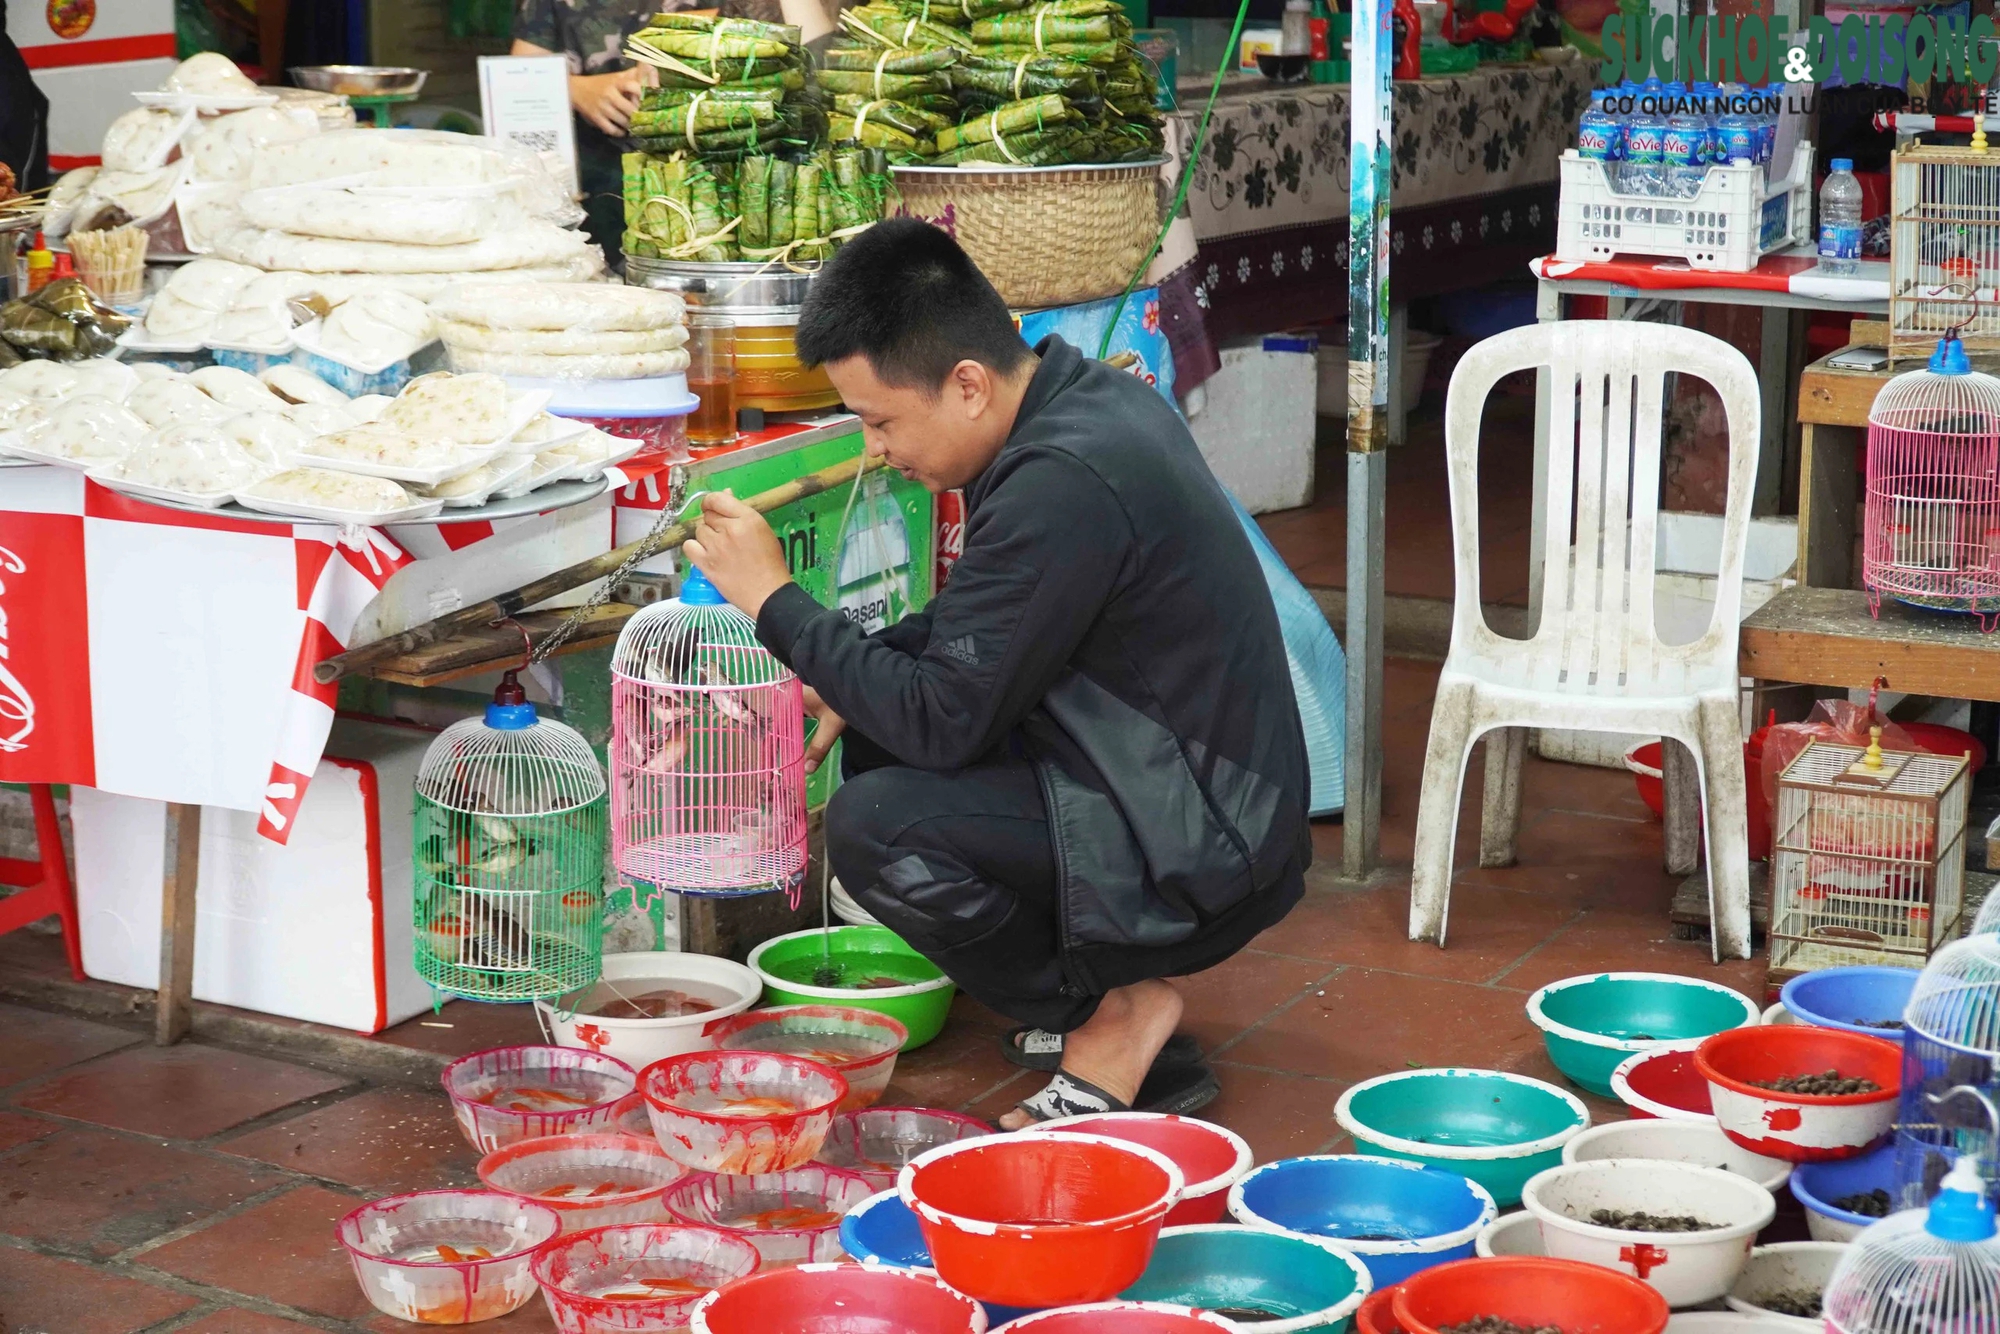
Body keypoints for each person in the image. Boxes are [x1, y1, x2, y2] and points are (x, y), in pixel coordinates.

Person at [685, 219, 1310, 1127]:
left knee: (877, 826)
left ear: (967, 384)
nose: (876, 450)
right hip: (1195, 792)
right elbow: (973, 630)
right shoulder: (1074, 398)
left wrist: (773, 600)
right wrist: (847, 679)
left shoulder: (1061, 475)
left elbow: (945, 719)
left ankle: (1114, 1013)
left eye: (881, 420)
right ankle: (1108, 990)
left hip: (1207, 841)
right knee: (872, 735)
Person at [511, 0, 834, 263]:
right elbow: (514, 82)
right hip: (595, 201)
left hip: (722, 201)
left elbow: (815, 68)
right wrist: (577, 89)